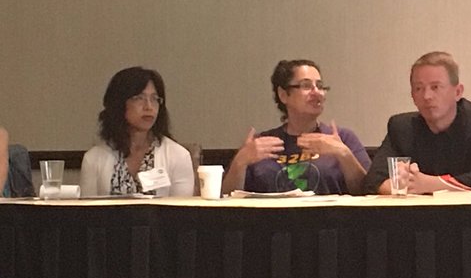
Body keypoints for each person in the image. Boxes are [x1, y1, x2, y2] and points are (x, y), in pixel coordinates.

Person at [363, 51, 471, 194]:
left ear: (458, 92)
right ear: (412, 95)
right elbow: (373, 181)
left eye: (435, 87)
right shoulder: (401, 128)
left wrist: (428, 184)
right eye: (419, 88)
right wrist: (400, 184)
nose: (427, 96)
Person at [222, 60, 370, 195]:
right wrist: (240, 161)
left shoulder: (344, 138)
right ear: (283, 95)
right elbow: (226, 197)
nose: (317, 92)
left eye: (320, 86)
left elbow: (368, 191)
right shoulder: (261, 143)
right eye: (306, 86)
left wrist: (344, 154)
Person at [80, 67, 195, 197]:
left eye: (154, 99)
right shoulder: (94, 158)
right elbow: (88, 208)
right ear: (119, 103)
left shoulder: (178, 156)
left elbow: (180, 208)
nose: (149, 107)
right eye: (139, 98)